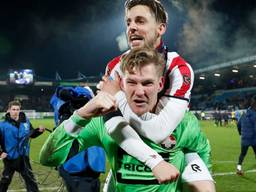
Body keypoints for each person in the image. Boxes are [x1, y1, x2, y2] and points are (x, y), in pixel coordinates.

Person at [40, 47, 212, 192]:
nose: (139, 91)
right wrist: (81, 115)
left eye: (147, 83)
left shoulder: (184, 122)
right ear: (121, 84)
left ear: (160, 84)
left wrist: (199, 177)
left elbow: (202, 152)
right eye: (132, 82)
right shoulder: (102, 121)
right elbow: (49, 159)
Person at [100, 0, 214, 191]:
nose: (132, 28)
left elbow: (159, 131)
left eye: (140, 21)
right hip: (129, 148)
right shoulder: (114, 67)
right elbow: (112, 124)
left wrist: (118, 95)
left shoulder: (179, 68)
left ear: (160, 28)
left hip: (176, 147)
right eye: (128, 22)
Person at [50, 86, 106, 192]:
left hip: (92, 168)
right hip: (76, 168)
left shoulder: (98, 113)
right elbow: (59, 94)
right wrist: (71, 96)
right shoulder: (66, 112)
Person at [0, 100, 45, 192]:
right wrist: (0, 153)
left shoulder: (26, 122)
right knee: (5, 180)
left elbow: (31, 134)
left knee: (30, 180)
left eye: (17, 109)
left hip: (23, 157)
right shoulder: (2, 125)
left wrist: (39, 131)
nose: (15, 111)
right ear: (8, 110)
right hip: (10, 158)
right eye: (13, 109)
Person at [236, 95, 256, 175]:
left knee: (242, 154)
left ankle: (239, 168)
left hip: (245, 138)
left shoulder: (244, 114)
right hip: (253, 138)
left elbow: (238, 125)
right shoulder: (254, 115)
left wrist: (240, 133)